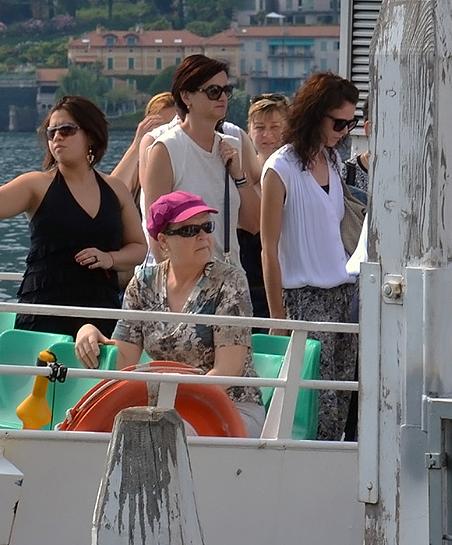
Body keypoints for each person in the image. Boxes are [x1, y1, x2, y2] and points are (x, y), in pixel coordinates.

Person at [74, 191, 264, 437]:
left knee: (167, 432)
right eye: (189, 231)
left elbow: (228, 370)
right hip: (162, 407)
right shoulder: (142, 283)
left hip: (231, 407)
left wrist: (168, 401)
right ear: (163, 241)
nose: (203, 237)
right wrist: (87, 331)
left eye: (207, 227)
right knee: (98, 430)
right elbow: (124, 364)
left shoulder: (230, 281)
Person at [0, 96, 147, 338]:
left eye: (66, 130)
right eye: (51, 132)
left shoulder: (115, 189)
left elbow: (139, 248)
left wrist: (109, 258)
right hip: (44, 311)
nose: (57, 138)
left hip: (101, 311)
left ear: (91, 136)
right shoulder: (36, 184)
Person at [260, 71, 362, 440]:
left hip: (343, 295)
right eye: (338, 122)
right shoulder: (280, 167)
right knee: (314, 406)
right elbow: (267, 248)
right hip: (304, 299)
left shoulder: (333, 161)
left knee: (341, 404)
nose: (344, 131)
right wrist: (277, 317)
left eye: (351, 123)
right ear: (316, 113)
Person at [141, 55, 259, 261]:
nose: (222, 98)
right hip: (186, 280)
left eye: (226, 91)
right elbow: (155, 230)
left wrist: (239, 176)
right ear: (187, 97)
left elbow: (254, 223)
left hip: (229, 279)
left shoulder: (232, 145)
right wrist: (175, 284)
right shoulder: (166, 149)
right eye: (213, 91)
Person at [238, 94, 292, 317]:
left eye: (275, 127)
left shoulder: (294, 174)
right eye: (259, 127)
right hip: (244, 286)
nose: (267, 135)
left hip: (284, 284)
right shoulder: (237, 172)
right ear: (249, 130)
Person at [109, 92, 178, 202]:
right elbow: (110, 195)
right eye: (161, 129)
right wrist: (137, 144)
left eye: (173, 127)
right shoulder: (137, 172)